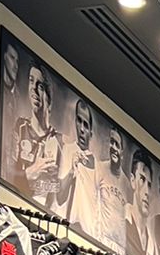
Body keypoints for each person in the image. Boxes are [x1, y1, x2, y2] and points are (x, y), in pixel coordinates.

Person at [14, 63, 63, 208]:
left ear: (49, 97)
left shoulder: (59, 141)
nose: (34, 89)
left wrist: (56, 182)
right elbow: (6, 175)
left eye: (40, 86)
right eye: (31, 81)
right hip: (16, 206)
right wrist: (30, 173)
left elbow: (60, 198)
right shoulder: (19, 127)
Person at [59, 96, 99, 232]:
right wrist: (71, 171)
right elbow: (60, 197)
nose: (81, 129)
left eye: (86, 125)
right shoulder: (68, 150)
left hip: (89, 233)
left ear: (91, 132)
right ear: (75, 122)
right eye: (79, 121)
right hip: (69, 227)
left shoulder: (97, 166)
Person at [95, 125, 133, 255]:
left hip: (120, 249)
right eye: (111, 142)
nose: (114, 148)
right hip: (102, 241)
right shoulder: (100, 168)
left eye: (117, 144)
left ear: (122, 151)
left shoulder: (127, 185)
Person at [124, 145, 154, 255]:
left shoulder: (151, 241)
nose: (146, 191)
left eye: (149, 184)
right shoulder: (121, 220)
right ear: (132, 180)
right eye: (142, 179)